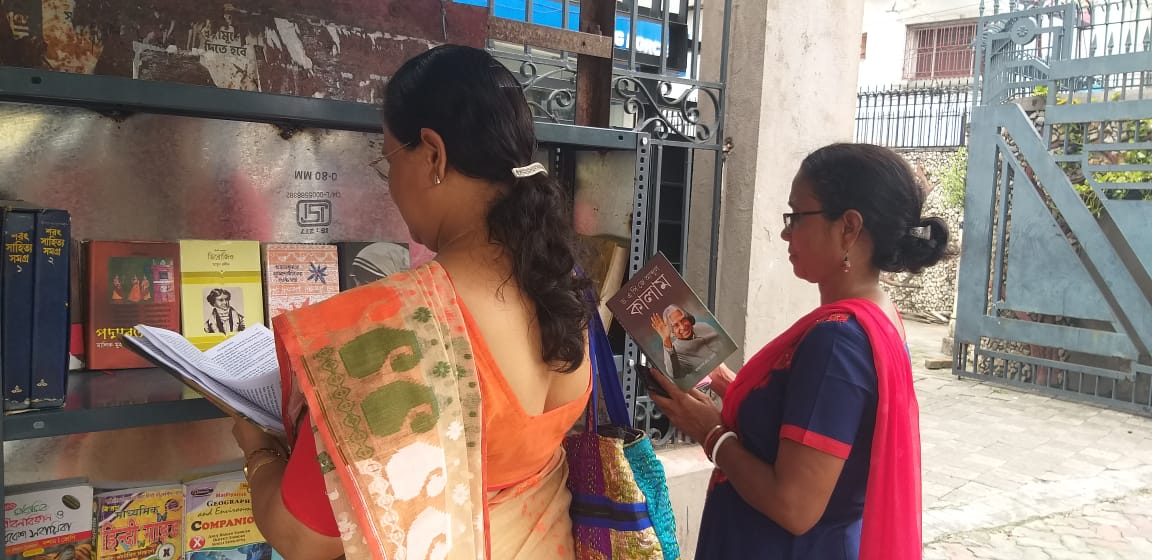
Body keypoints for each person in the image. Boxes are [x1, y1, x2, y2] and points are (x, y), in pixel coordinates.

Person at [229, 44, 593, 560]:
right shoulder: (562, 283)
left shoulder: (398, 324)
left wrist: (258, 447)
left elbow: (302, 537)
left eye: (388, 160)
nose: (392, 185)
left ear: (433, 154)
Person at [649, 143, 947, 559]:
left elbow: (795, 507)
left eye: (797, 216)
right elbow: (806, 415)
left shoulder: (838, 340)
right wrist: (721, 378)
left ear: (848, 228)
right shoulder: (876, 314)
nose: (787, 232)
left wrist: (709, 431)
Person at [651, 304, 725, 382]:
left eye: (683, 320)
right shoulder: (676, 352)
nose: (683, 327)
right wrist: (666, 340)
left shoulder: (703, 326)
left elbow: (723, 344)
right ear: (671, 331)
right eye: (676, 325)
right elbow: (674, 374)